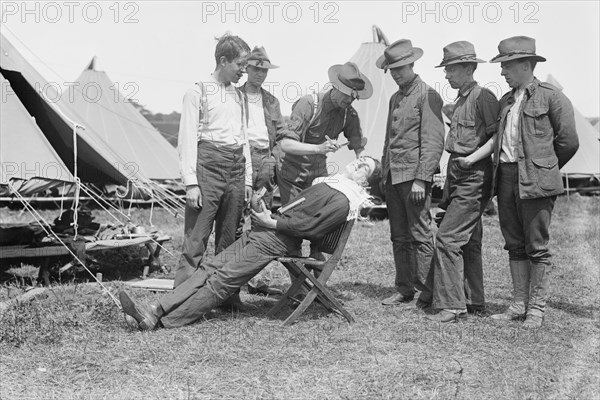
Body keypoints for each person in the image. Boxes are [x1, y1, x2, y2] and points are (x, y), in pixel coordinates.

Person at [119, 157, 382, 330]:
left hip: (276, 239)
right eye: (359, 160)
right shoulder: (331, 183)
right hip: (267, 232)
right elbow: (295, 211)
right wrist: (266, 212)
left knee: (222, 280)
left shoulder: (344, 199)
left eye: (364, 168)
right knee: (209, 267)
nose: (357, 164)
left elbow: (310, 228)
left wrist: (272, 223)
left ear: (364, 181)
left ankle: (165, 321)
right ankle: (156, 308)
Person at [456, 36, 579, 328]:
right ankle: (517, 305)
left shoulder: (552, 97)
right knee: (514, 244)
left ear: (526, 65)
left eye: (507, 66)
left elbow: (569, 142)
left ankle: (536, 309)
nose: (502, 72)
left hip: (536, 179)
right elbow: (498, 140)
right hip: (506, 178)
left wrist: (544, 168)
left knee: (537, 245)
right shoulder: (505, 101)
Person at [425, 41, 500, 323]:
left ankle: (452, 306)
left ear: (469, 68)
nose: (446, 75)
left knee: (447, 239)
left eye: (452, 69)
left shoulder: (484, 97)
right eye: (446, 70)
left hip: (473, 176)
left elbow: (496, 138)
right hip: (457, 175)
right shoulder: (459, 101)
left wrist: (470, 160)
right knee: (469, 241)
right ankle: (474, 300)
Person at [175, 34, 252, 291]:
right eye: (240, 64)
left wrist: (248, 179)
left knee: (230, 239)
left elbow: (244, 139)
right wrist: (191, 183)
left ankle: (224, 296)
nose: (245, 70)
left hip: (236, 168)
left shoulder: (239, 97)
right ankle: (180, 300)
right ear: (223, 60)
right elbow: (186, 139)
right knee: (196, 239)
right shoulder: (197, 92)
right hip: (208, 166)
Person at [376, 39, 445, 308]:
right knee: (399, 236)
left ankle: (428, 291)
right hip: (393, 178)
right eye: (392, 70)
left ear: (412, 64)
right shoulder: (395, 98)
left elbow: (433, 141)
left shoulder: (427, 95)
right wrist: (384, 174)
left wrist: (421, 178)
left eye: (400, 69)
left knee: (420, 234)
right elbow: (388, 141)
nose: (396, 74)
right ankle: (404, 288)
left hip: (414, 179)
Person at [273, 62, 373, 206]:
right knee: (294, 217)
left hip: (317, 174)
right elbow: (286, 144)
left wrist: (364, 162)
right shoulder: (308, 104)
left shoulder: (349, 114)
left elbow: (358, 145)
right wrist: (319, 148)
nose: (349, 100)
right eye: (346, 95)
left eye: (353, 97)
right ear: (335, 87)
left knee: (318, 216)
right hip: (291, 173)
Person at [238, 46, 288, 295]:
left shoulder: (271, 101)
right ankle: (234, 278)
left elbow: (280, 136)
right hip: (239, 160)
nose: (260, 74)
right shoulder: (234, 96)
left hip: (264, 160)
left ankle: (255, 276)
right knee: (236, 219)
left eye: (264, 70)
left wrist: (272, 161)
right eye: (256, 68)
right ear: (246, 68)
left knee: (262, 218)